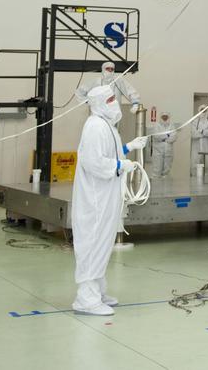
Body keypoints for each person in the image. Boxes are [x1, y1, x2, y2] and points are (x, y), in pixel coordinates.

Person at [71, 85, 147, 316]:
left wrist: (128, 147)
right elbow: (93, 162)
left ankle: (98, 292)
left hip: (105, 195)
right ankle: (86, 298)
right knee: (93, 243)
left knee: (103, 243)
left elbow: (109, 152)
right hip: (95, 198)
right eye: (111, 99)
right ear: (99, 103)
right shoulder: (95, 126)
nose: (115, 102)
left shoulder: (106, 125)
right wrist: (119, 165)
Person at [75, 61, 141, 111]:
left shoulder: (118, 81)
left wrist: (135, 103)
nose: (110, 71)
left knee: (113, 129)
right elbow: (80, 92)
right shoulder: (96, 82)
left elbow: (130, 90)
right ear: (103, 69)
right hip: (98, 113)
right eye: (108, 69)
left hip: (114, 113)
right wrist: (88, 101)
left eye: (112, 69)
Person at [148, 111, 177, 177]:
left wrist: (164, 138)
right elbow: (157, 136)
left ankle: (165, 183)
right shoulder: (156, 125)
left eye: (166, 117)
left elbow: (174, 137)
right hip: (158, 150)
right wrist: (167, 135)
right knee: (157, 167)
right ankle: (156, 183)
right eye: (163, 116)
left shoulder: (171, 125)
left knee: (167, 168)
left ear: (168, 117)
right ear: (161, 117)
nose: (164, 118)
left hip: (168, 150)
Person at [190, 107, 208, 178]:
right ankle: (195, 185)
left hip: (207, 148)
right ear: (199, 111)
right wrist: (205, 132)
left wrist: (201, 131)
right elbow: (193, 134)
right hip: (196, 149)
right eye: (202, 110)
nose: (203, 112)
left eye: (205, 110)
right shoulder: (195, 121)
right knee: (195, 166)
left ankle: (207, 185)